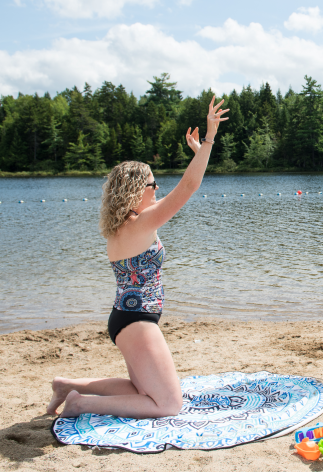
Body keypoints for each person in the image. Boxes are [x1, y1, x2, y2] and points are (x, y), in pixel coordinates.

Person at [47, 96, 229, 418]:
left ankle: (66, 385)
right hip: (137, 321)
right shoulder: (139, 224)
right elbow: (188, 187)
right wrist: (209, 140)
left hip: (127, 319)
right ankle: (79, 403)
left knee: (139, 391)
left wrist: (198, 152)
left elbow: (182, 186)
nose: (157, 188)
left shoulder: (121, 227)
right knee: (170, 405)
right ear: (134, 190)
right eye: (152, 183)